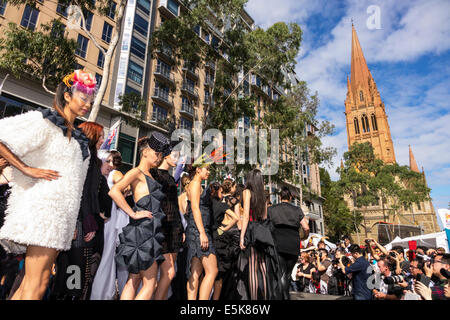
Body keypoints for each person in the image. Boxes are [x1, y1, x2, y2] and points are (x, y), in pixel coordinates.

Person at [0, 70, 95, 299]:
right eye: (83, 98)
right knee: (37, 284)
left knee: (33, 284)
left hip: (61, 218)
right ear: (67, 96)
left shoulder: (81, 140)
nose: (87, 104)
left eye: (91, 100)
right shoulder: (44, 121)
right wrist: (25, 168)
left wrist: (72, 220)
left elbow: (76, 186)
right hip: (43, 211)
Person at [110, 133, 169, 300]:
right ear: (145, 153)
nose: (159, 158)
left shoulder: (149, 175)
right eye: (156, 154)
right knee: (150, 285)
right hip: (144, 233)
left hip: (146, 232)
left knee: (133, 280)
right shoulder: (136, 172)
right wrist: (133, 213)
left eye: (160, 155)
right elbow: (114, 191)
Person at [236, 169, 282, 300]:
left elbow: (245, 217)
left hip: (251, 231)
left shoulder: (246, 192)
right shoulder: (263, 195)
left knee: (252, 269)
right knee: (262, 268)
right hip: (262, 232)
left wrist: (241, 236)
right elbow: (265, 216)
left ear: (250, 179)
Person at [90, 150, 130, 300]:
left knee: (106, 259)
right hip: (103, 224)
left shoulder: (113, 175)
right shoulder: (98, 178)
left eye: (111, 162)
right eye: (107, 161)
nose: (110, 165)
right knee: (102, 258)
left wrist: (123, 192)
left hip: (109, 223)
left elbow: (124, 184)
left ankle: (102, 294)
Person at [150, 145, 184, 300]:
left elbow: (174, 206)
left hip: (174, 228)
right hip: (162, 228)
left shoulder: (170, 177)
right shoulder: (154, 174)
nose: (177, 159)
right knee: (168, 273)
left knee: (167, 274)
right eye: (175, 156)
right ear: (165, 156)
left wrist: (181, 229)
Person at [267, 186, 309, 299]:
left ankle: (284, 297)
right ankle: (285, 296)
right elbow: (306, 227)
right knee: (288, 274)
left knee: (281, 273)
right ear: (290, 197)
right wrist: (304, 237)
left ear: (280, 197)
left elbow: (265, 225)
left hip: (278, 244)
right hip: (293, 244)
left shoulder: (271, 209)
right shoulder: (297, 210)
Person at [185, 160, 218, 300]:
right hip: (199, 231)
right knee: (212, 271)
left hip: (197, 230)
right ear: (198, 169)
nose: (208, 172)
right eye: (207, 169)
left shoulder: (195, 184)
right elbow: (195, 209)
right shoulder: (195, 184)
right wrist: (202, 233)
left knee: (196, 272)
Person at [210, 180, 240, 300]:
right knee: (221, 272)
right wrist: (223, 229)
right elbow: (236, 218)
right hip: (222, 235)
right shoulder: (224, 204)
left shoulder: (206, 203)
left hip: (209, 235)